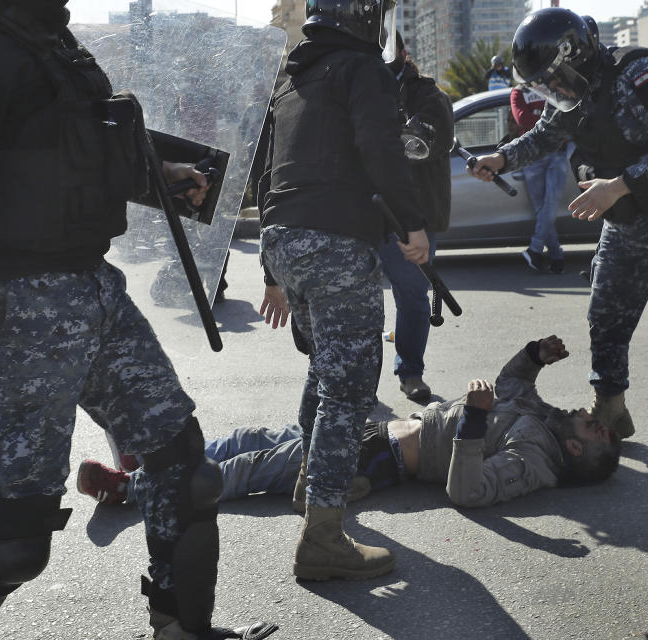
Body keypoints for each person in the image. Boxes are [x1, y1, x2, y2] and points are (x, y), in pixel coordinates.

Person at [0, 2, 274, 639]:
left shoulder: (46, 38)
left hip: (91, 285)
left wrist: (166, 172)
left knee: (183, 463)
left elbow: (84, 144)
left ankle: (182, 630)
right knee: (18, 530)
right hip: (17, 301)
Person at [471, 8, 648, 473]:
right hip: (625, 217)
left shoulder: (638, 74)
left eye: (555, 80)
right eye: (547, 86)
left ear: (577, 56)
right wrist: (501, 159)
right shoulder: (571, 91)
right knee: (605, 315)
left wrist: (619, 184)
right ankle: (611, 407)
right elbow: (547, 134)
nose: (555, 92)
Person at [257, 0, 429, 582]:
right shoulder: (361, 68)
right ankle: (324, 537)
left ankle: (312, 481)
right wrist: (412, 223)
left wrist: (270, 268)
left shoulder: (294, 77)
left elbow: (265, 171)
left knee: (326, 369)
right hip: (333, 242)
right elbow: (381, 149)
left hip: (284, 240)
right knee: (349, 390)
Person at [78, 336, 621, 509]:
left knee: (253, 467)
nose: (593, 418)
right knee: (252, 438)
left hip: (378, 454)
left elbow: (468, 491)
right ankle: (157, 462)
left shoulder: (534, 460)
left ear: (577, 453)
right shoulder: (541, 419)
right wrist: (533, 355)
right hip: (375, 430)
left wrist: (474, 425)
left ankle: (132, 487)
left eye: (596, 431)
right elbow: (512, 386)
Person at [380, 31, 454, 402]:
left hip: (410, 218)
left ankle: (410, 372)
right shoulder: (355, 86)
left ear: (403, 53)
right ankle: (352, 380)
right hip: (362, 213)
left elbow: (420, 142)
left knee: (410, 296)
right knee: (355, 300)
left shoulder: (426, 95)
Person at [510, 86, 568, 273]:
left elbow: (567, 114)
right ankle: (556, 256)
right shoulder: (518, 92)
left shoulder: (554, 87)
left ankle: (536, 249)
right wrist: (550, 118)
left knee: (550, 203)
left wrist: (538, 115)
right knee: (542, 207)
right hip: (532, 155)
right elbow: (521, 119)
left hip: (558, 151)